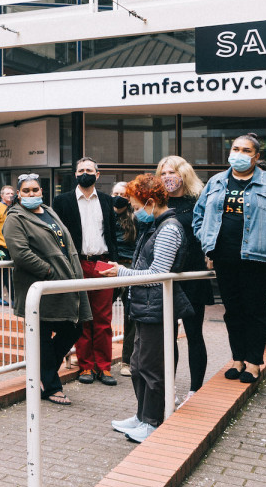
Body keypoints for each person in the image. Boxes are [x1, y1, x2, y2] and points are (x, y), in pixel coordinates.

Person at [194, 133, 266, 385]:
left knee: (253, 311)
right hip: (224, 256)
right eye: (235, 149)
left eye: (246, 150)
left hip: (258, 258)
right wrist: (206, 240)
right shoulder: (217, 181)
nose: (239, 154)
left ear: (256, 156)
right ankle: (237, 359)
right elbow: (199, 216)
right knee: (233, 311)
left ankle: (253, 363)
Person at [104, 174, 192, 443]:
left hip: (156, 306)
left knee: (151, 367)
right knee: (139, 363)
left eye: (135, 205)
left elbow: (156, 274)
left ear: (151, 202)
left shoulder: (168, 228)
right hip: (146, 305)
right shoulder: (155, 226)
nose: (133, 211)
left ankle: (153, 421)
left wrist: (121, 272)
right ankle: (142, 416)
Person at [4, 173, 91, 407]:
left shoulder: (49, 211)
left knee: (74, 327)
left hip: (65, 283)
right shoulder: (15, 217)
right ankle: (51, 385)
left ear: (41, 191)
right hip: (40, 287)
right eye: (26, 191)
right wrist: (48, 271)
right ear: (19, 195)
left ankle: (43, 373)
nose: (31, 194)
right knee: (42, 335)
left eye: (35, 190)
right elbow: (20, 253)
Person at [52, 157, 119, 386]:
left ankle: (104, 367)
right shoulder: (62, 201)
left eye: (89, 170)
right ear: (75, 174)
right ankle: (86, 367)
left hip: (103, 264)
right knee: (81, 318)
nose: (85, 173)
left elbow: (113, 235)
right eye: (80, 170)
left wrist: (115, 264)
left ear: (97, 174)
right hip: (77, 264)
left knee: (103, 319)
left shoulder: (108, 201)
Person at [156, 155, 210, 402]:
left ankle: (195, 390)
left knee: (193, 333)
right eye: (163, 173)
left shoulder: (199, 201)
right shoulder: (157, 203)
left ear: (184, 173)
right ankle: (169, 389)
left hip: (192, 276)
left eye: (172, 172)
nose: (168, 177)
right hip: (166, 277)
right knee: (167, 336)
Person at [111, 181, 137, 377]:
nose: (118, 196)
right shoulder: (105, 216)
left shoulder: (136, 218)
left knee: (130, 317)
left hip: (129, 267)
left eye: (122, 194)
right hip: (110, 266)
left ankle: (127, 360)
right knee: (99, 312)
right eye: (115, 193)